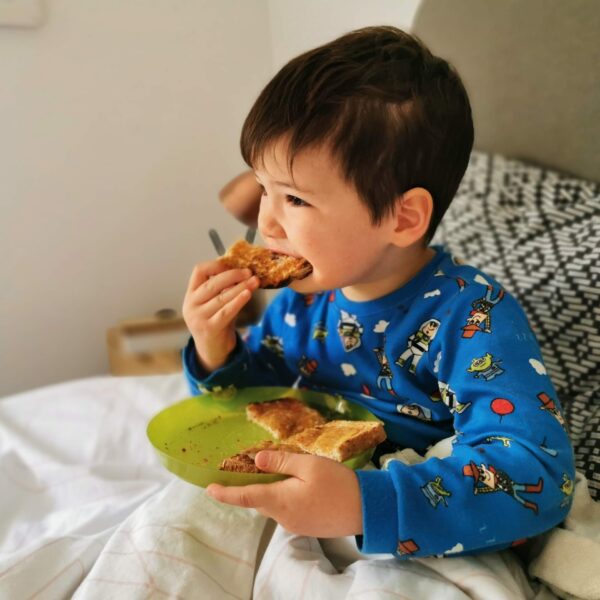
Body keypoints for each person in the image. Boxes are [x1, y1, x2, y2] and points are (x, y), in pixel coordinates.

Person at [181, 25, 574, 558]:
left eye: (294, 199)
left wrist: (364, 505)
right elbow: (260, 405)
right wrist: (215, 346)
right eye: (262, 187)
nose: (264, 223)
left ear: (402, 217)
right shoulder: (303, 300)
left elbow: (539, 476)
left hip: (415, 531)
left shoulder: (472, 316)